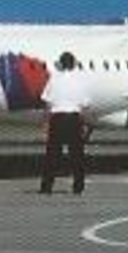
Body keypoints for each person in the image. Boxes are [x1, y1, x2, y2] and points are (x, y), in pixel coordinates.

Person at [39, 51, 89, 195]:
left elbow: (47, 103)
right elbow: (84, 104)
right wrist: (84, 123)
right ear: (74, 64)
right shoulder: (80, 81)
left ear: (61, 64)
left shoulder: (54, 80)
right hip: (74, 118)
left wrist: (46, 122)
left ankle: (47, 186)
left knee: (52, 154)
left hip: (58, 117)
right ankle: (78, 186)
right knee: (77, 154)